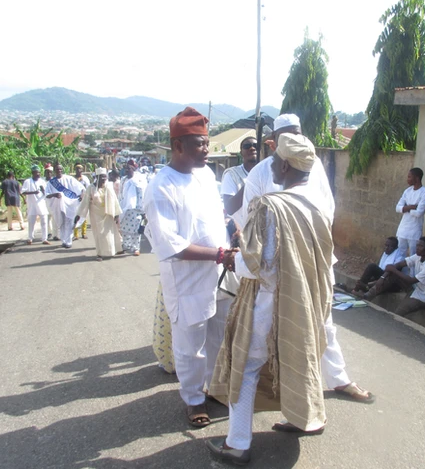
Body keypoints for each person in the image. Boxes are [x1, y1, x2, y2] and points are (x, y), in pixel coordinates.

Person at [207, 133, 334, 465]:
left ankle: (237, 444)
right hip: (306, 303)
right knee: (300, 357)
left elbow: (254, 267)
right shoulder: (320, 204)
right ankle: (307, 418)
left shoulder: (271, 206)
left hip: (268, 303)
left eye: (276, 160)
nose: (272, 165)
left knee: (245, 365)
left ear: (287, 164)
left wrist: (227, 257)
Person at [236, 113, 373, 403]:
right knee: (266, 335)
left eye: (298, 133)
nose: (295, 139)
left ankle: (339, 380)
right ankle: (264, 397)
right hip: (277, 271)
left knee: (324, 324)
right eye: (287, 135)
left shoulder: (313, 166)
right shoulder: (261, 172)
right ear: (275, 143)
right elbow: (251, 221)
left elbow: (328, 210)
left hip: (315, 262)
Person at [143, 107, 236, 428]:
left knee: (220, 338)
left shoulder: (207, 175)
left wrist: (231, 232)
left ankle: (216, 389)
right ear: (178, 146)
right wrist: (221, 254)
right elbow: (173, 245)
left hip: (219, 276)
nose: (207, 149)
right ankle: (194, 399)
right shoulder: (160, 187)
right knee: (190, 347)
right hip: (188, 282)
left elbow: (213, 217)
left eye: (207, 142)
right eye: (199, 143)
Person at [377, 236, 425, 316]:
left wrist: (393, 269)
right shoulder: (418, 256)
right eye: (417, 245)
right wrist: (382, 277)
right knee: (394, 274)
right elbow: (400, 264)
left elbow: (411, 280)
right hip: (415, 288)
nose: (417, 248)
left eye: (421, 246)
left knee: (398, 313)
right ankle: (368, 293)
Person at [74, 168, 122, 261]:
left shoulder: (108, 186)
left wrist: (116, 214)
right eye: (101, 177)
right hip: (96, 214)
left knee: (109, 234)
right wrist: (78, 214)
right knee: (99, 235)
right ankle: (100, 254)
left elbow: (115, 200)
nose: (104, 179)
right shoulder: (91, 188)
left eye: (105, 177)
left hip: (108, 213)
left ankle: (113, 250)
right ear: (97, 177)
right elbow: (85, 202)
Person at [45, 163, 84, 249]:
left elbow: (81, 188)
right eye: (57, 169)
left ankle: (69, 242)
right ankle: (64, 241)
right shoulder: (51, 183)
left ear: (62, 170)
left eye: (60, 169)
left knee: (69, 222)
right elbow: (47, 195)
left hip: (70, 205)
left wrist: (81, 195)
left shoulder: (69, 179)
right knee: (62, 223)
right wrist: (54, 194)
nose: (59, 171)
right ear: (54, 171)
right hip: (58, 206)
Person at [395, 168, 425, 258]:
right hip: (403, 228)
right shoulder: (407, 191)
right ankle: (399, 271)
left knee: (414, 255)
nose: (408, 179)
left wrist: (405, 208)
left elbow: (419, 213)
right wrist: (411, 207)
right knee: (400, 253)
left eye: (409, 177)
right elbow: (397, 208)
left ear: (417, 178)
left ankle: (412, 273)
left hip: (414, 230)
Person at [220, 135, 258, 219]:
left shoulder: (268, 172)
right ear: (241, 153)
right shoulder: (232, 175)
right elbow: (229, 209)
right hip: (243, 229)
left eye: (255, 146)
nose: (252, 148)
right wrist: (252, 180)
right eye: (247, 146)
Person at [120, 159, 148, 256]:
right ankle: (125, 246)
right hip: (124, 209)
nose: (127, 170)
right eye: (126, 168)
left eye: (129, 168)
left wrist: (143, 211)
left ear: (134, 169)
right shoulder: (123, 180)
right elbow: (120, 194)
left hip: (136, 210)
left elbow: (142, 195)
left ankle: (136, 248)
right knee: (124, 229)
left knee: (136, 231)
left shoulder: (138, 181)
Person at [21, 165, 49, 245]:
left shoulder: (42, 182)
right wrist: (33, 192)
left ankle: (44, 239)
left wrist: (43, 191)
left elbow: (46, 194)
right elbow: (23, 192)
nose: (38, 174)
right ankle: (30, 238)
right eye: (37, 172)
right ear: (33, 173)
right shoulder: (28, 181)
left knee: (44, 221)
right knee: (31, 222)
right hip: (32, 204)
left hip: (41, 204)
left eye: (39, 172)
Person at [73, 164, 91, 241]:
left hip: (83, 199)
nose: (78, 170)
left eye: (80, 169)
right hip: (74, 200)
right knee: (75, 216)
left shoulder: (85, 179)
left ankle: (83, 233)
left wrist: (84, 196)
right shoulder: (72, 179)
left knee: (84, 216)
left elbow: (88, 188)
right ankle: (75, 234)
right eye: (77, 169)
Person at [44, 163, 58, 240]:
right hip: (45, 202)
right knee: (46, 219)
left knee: (55, 219)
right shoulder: (42, 181)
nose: (48, 173)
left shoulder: (55, 181)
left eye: (50, 172)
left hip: (54, 202)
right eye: (47, 172)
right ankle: (48, 233)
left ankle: (55, 234)